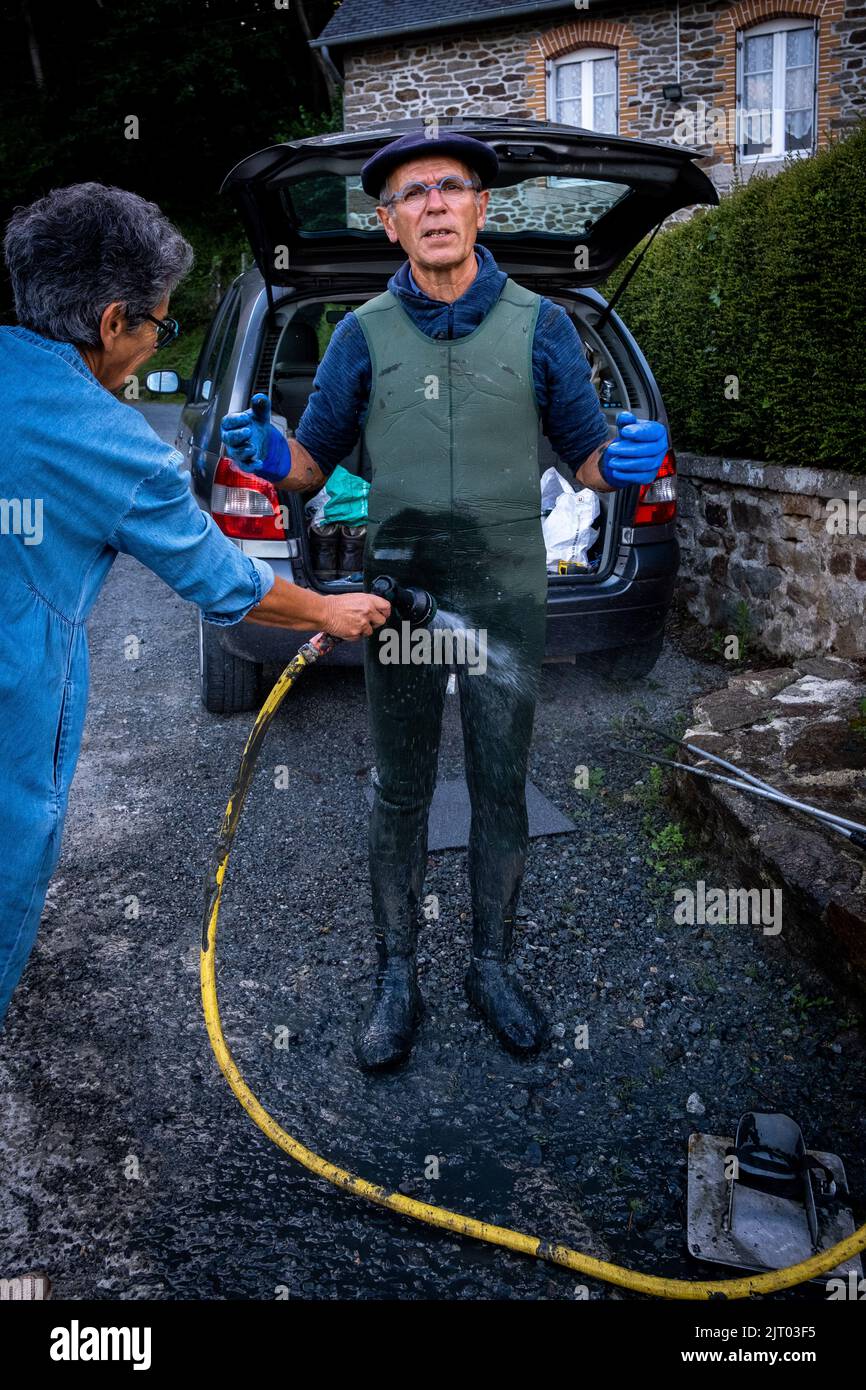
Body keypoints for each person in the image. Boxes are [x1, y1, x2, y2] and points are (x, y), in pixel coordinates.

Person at [220, 133, 666, 1071]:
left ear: (480, 209)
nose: (431, 204)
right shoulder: (361, 334)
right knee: (400, 785)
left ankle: (492, 966)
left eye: (448, 188)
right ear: (388, 224)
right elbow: (311, 466)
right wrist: (271, 456)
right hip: (402, 594)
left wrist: (614, 466)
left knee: (501, 782)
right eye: (408, 194)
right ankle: (397, 975)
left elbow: (584, 453)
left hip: (507, 586)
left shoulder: (542, 325)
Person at [0, 182, 389, 1028]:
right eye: (159, 326)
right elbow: (225, 581)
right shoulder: (111, 446)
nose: (151, 348)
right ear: (113, 323)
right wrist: (328, 612)